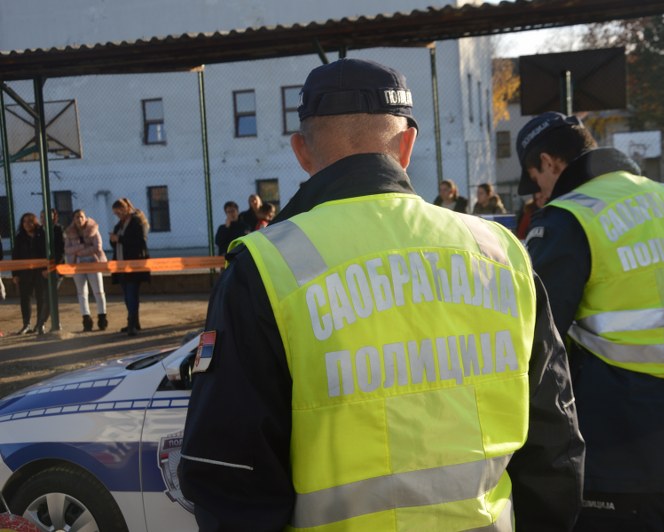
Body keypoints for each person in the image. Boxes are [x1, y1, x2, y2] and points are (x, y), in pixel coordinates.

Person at [180, 58, 584, 531]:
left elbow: (230, 474)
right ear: (407, 145)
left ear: (301, 152)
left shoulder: (267, 267)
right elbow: (555, 447)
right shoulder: (501, 254)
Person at [516, 111, 664, 531]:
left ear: (549, 163)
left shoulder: (570, 216)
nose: (539, 193)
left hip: (617, 444)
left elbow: (533, 334)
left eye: (535, 179)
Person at [109, 197, 150, 336]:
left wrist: (119, 239)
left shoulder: (137, 221)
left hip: (134, 265)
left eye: (119, 212)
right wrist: (113, 240)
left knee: (132, 295)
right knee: (127, 296)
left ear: (126, 208)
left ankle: (132, 324)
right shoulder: (120, 224)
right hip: (121, 265)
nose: (118, 215)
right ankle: (134, 322)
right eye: (116, 213)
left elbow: (140, 241)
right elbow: (116, 244)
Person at [64, 209, 108, 332]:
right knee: (82, 293)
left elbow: (97, 247)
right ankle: (86, 319)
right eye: (77, 217)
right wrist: (82, 247)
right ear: (73, 219)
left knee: (99, 291)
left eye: (81, 217)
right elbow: (67, 249)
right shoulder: (69, 233)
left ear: (85, 218)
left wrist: (79, 251)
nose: (79, 219)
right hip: (76, 264)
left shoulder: (93, 229)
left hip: (93, 263)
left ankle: (102, 317)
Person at [11, 213, 50, 335]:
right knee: (25, 298)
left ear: (35, 222)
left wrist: (46, 269)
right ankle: (26, 324)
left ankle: (39, 324)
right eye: (24, 222)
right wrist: (15, 274)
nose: (27, 224)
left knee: (41, 298)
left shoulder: (42, 234)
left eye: (30, 221)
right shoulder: (19, 237)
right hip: (24, 273)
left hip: (40, 272)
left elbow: (46, 253)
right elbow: (15, 257)